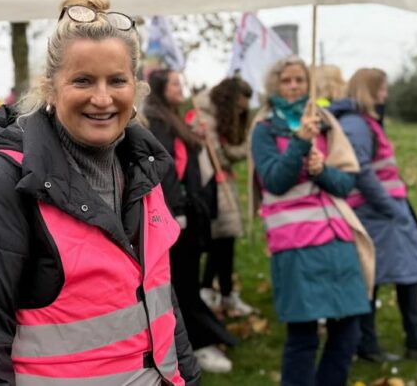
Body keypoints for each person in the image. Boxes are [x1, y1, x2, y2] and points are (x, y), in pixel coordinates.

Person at [0, 0, 200, 385]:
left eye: (116, 81)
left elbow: (162, 306)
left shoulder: (145, 169)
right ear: (50, 87)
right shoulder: (3, 182)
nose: (102, 98)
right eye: (83, 81)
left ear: (135, 87)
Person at [249, 56, 374, 386]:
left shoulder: (326, 122)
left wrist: (322, 170)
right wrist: (300, 144)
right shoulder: (263, 130)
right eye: (286, 81)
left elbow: (346, 183)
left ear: (309, 84)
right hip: (295, 243)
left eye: (299, 80)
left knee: (348, 330)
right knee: (303, 334)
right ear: (275, 85)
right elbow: (274, 180)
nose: (293, 87)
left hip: (336, 238)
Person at [329, 68, 417, 363]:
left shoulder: (364, 122)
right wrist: (387, 204)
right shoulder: (356, 124)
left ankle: (416, 337)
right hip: (377, 212)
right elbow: (358, 167)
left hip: (387, 209)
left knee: (407, 272)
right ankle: (368, 344)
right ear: (371, 90)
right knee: (374, 276)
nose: (386, 94)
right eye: (382, 88)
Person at [143, 68, 238, 374]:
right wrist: (178, 212)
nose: (180, 87)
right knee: (182, 286)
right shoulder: (157, 122)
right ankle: (194, 346)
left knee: (187, 284)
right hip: (176, 220)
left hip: (189, 215)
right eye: (174, 83)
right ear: (160, 88)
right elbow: (166, 170)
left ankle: (195, 341)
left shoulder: (171, 118)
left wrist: (197, 139)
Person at [194, 77, 256, 317]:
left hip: (221, 183)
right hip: (211, 184)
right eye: (238, 107)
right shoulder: (205, 118)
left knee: (223, 240)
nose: (241, 111)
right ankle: (216, 291)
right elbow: (217, 156)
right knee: (222, 240)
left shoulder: (215, 116)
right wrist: (246, 147)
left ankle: (215, 289)